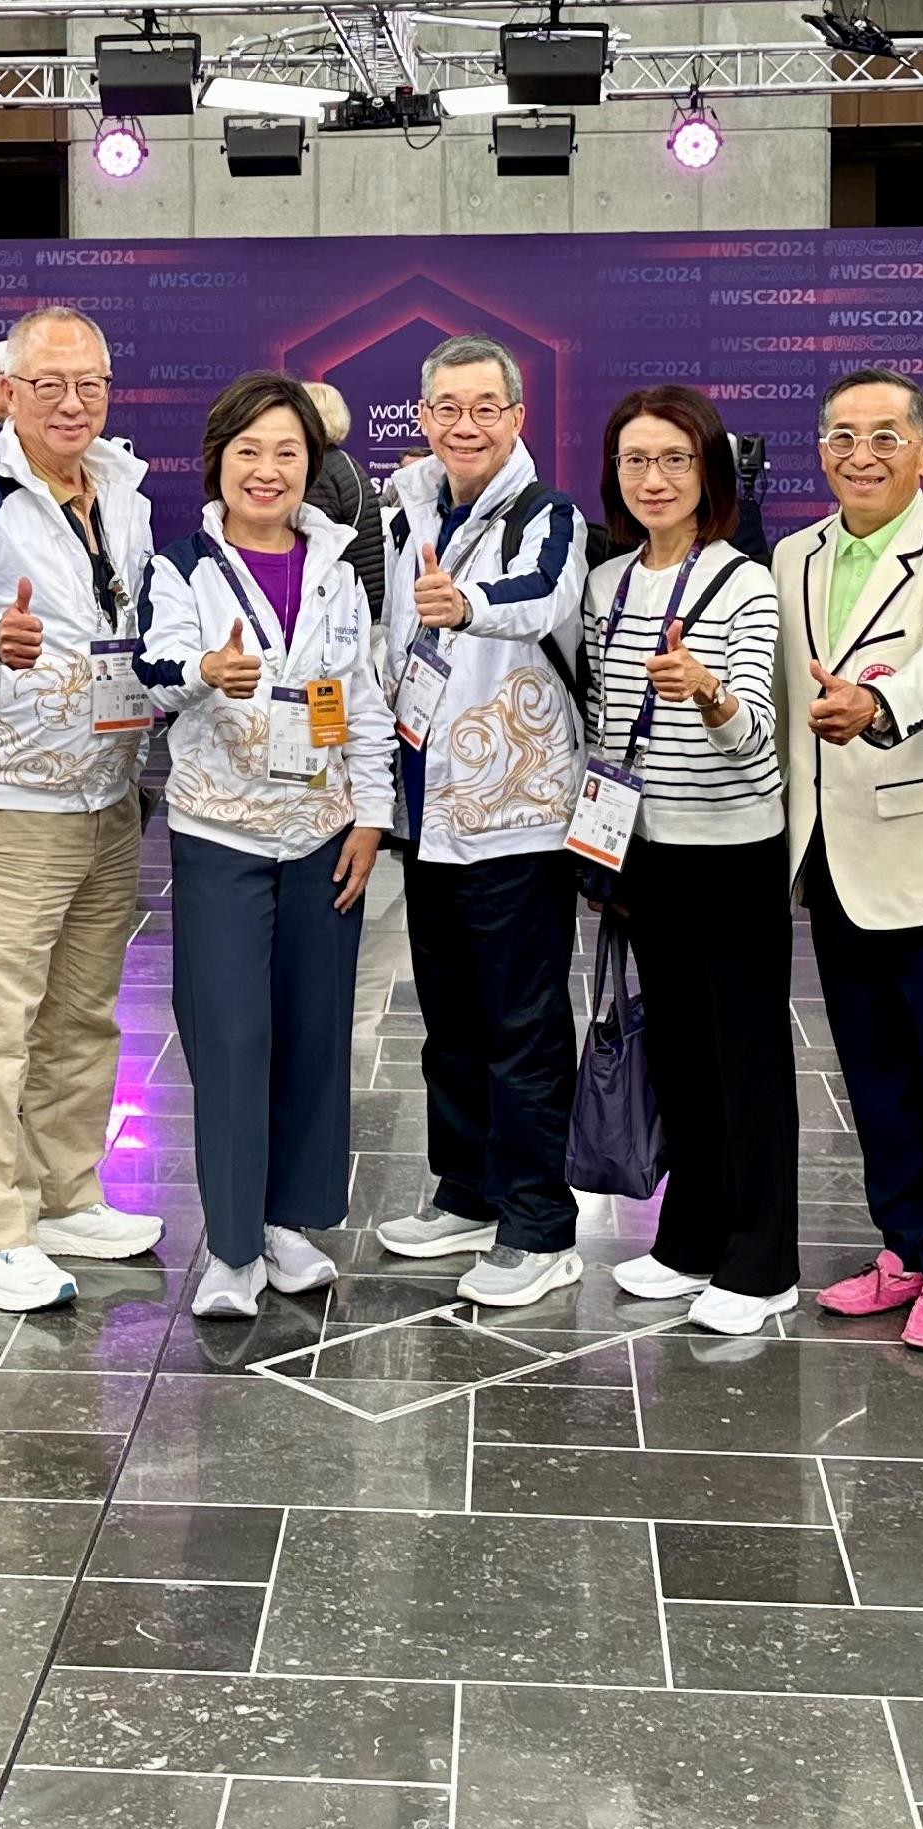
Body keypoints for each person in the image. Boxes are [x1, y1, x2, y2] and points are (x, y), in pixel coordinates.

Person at [0, 303, 164, 1314]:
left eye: (90, 384)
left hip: (109, 792)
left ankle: (65, 1195)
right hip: (10, 799)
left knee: (82, 1016)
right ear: (4, 391)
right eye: (49, 383)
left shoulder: (125, 491)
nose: (72, 402)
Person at [138, 372, 390, 1319]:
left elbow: (360, 701)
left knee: (315, 1036)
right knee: (233, 1034)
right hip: (222, 834)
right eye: (249, 451)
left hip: (324, 835)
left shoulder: (337, 566)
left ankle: (290, 1223)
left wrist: (371, 818)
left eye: (287, 452)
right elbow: (155, 674)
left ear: (311, 468)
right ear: (219, 463)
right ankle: (233, 1248)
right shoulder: (184, 564)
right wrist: (204, 671)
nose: (267, 470)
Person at [776, 370, 923, 1352]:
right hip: (830, 857)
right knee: (873, 1071)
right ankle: (905, 1247)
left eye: (883, 437)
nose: (859, 455)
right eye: (840, 436)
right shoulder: (791, 556)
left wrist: (879, 707)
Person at [367, 334, 591, 1311]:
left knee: (523, 1025)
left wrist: (466, 603)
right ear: (422, 418)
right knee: (449, 1022)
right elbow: (383, 637)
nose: (465, 424)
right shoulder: (402, 512)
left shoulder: (550, 516)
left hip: (519, 816)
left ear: (516, 416)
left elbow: (547, 598)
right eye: (446, 408)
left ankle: (541, 1225)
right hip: (428, 811)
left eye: (483, 407)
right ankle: (466, 1190)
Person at [583, 384, 792, 1334]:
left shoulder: (744, 582)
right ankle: (690, 1236)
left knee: (743, 1058)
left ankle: (762, 1262)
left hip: (731, 851)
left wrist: (708, 694)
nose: (654, 479)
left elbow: (756, 741)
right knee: (676, 1051)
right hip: (643, 852)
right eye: (636, 461)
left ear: (709, 470)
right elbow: (599, 725)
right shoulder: (606, 581)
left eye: (674, 459)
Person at [300, 379, 391, 605]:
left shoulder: (317, 472)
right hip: (358, 598)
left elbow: (313, 546)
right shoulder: (340, 462)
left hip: (341, 603)